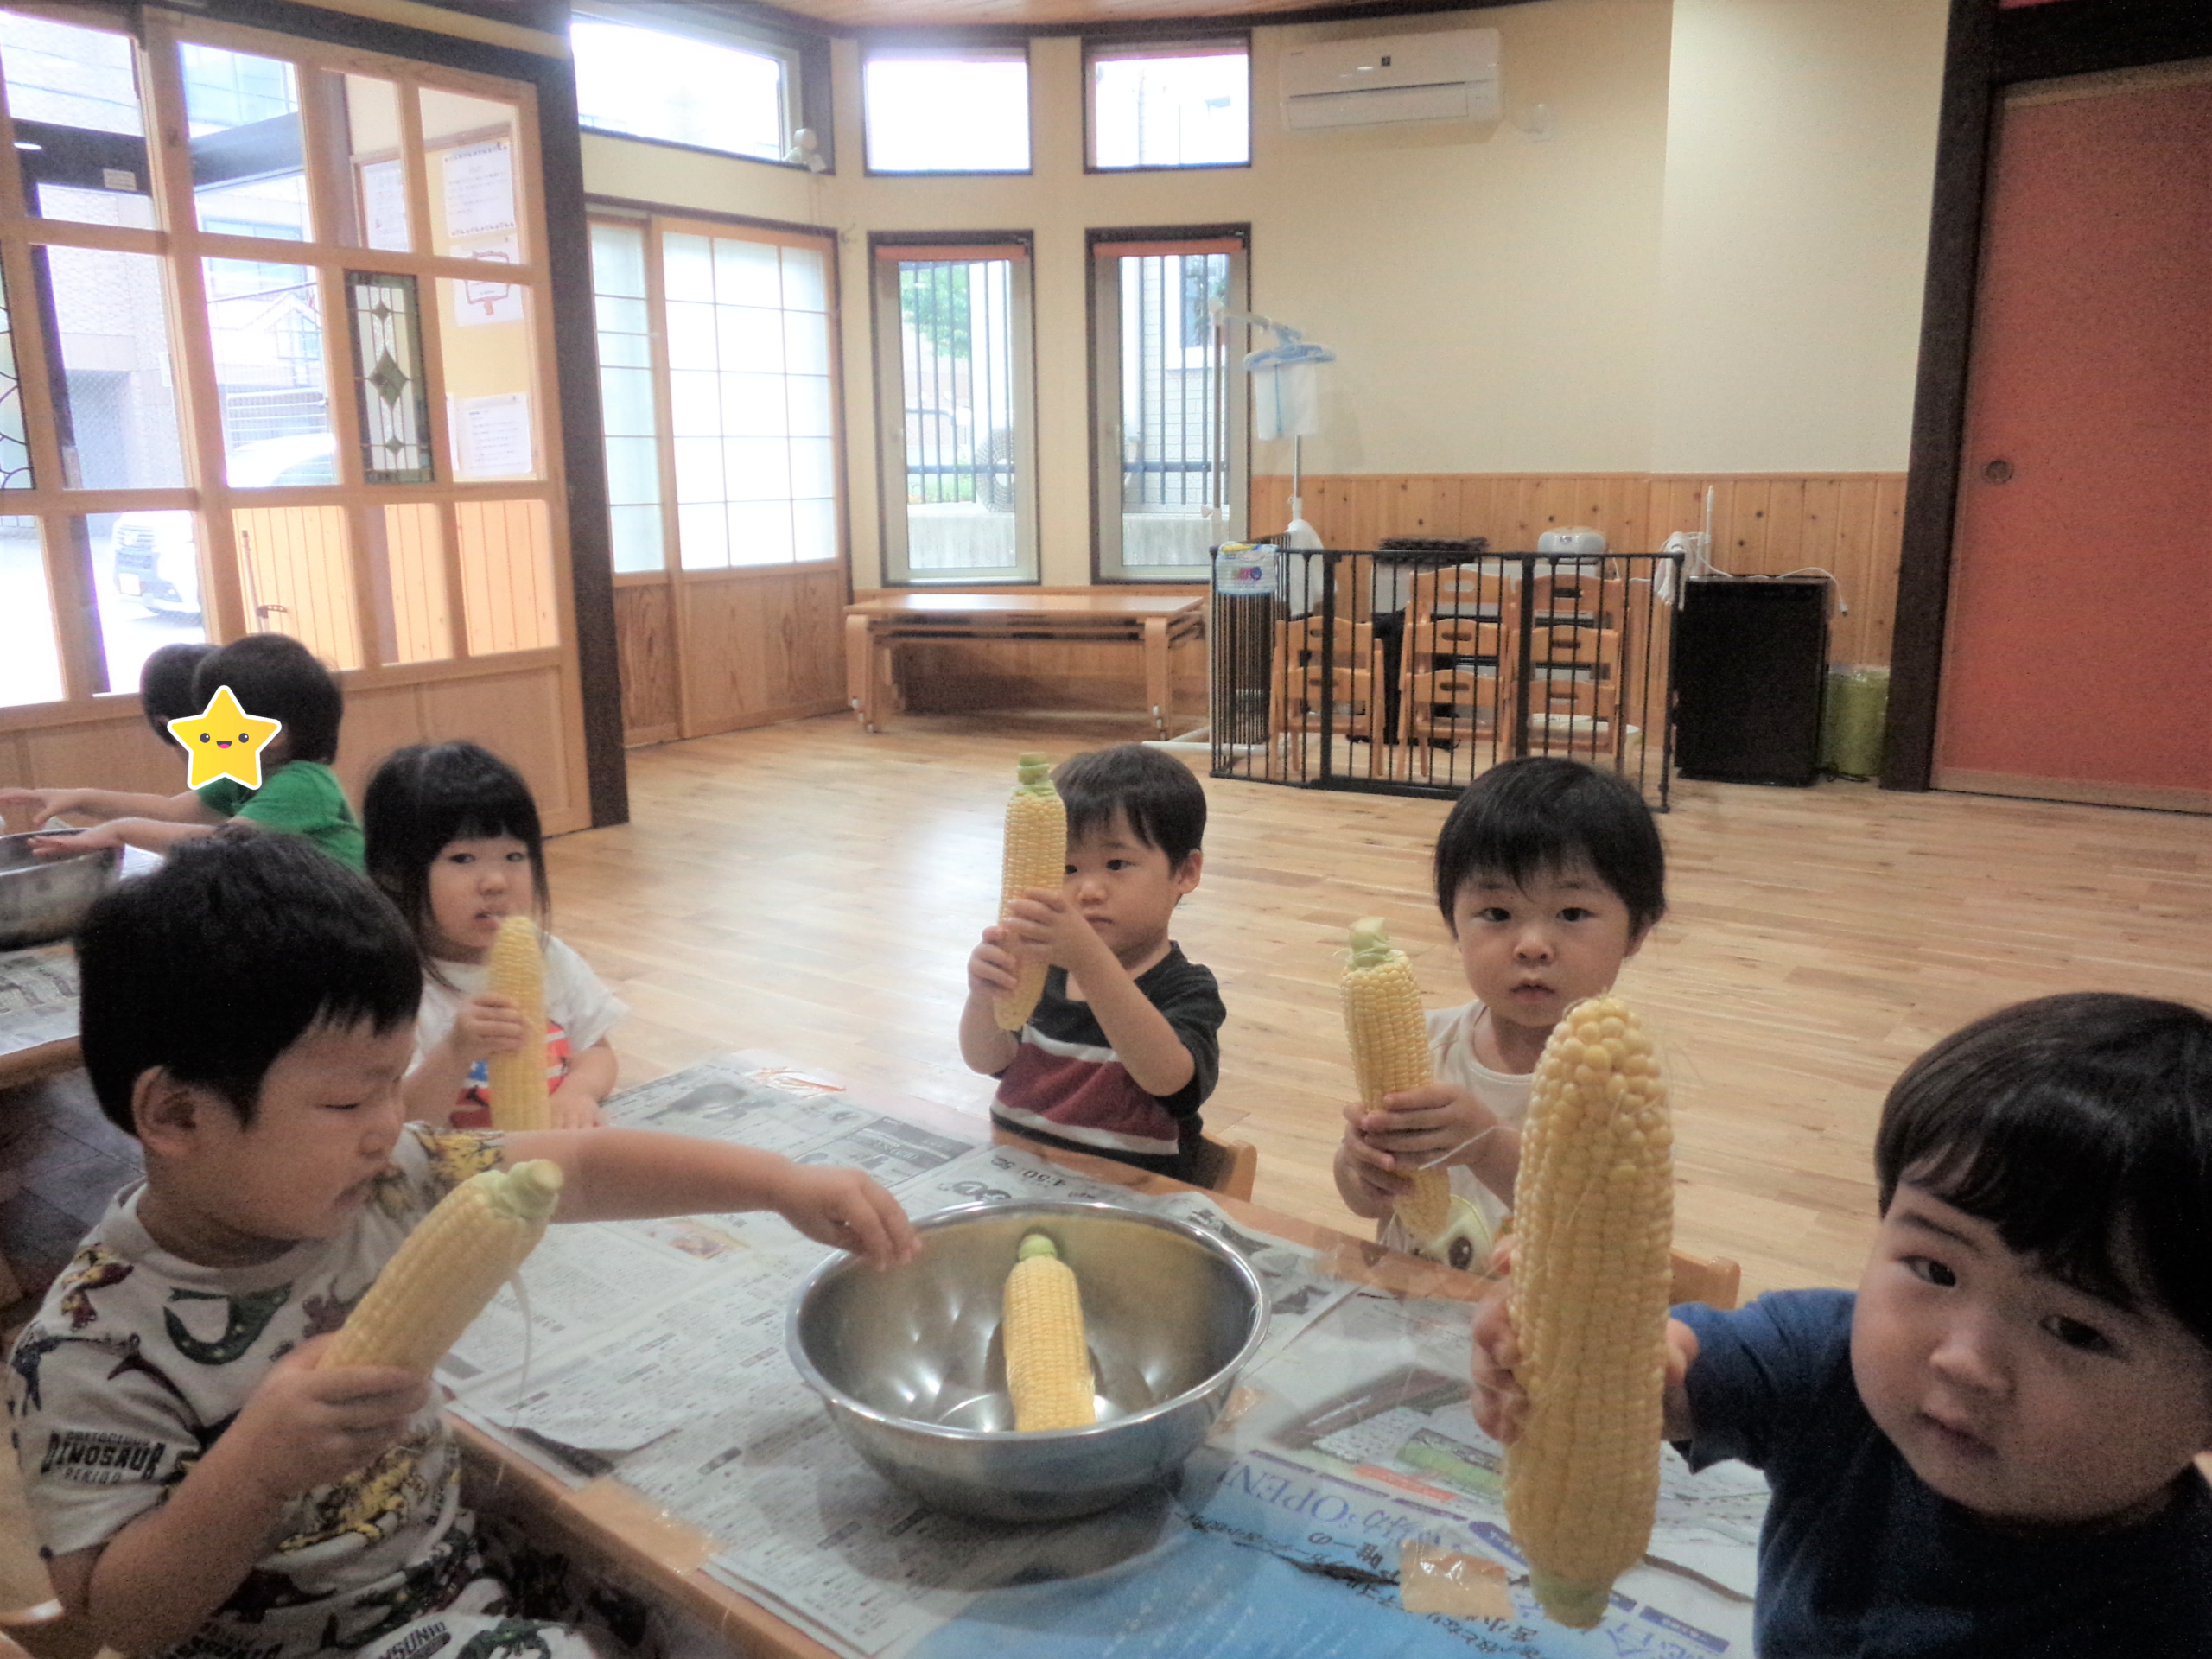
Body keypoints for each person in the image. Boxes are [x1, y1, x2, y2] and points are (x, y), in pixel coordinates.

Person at [5, 832, 916, 1659]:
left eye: (392, 1084)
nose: (389, 1125)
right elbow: (119, 1622)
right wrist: (257, 1465)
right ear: (175, 1113)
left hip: (452, 1574)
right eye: (346, 1102)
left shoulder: (390, 1175)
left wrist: (777, 1184)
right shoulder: (87, 1351)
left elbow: (586, 1167)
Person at [1473, 993, 2212, 1656]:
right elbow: (1672, 1369)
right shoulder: (1834, 1361)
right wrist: (1565, 1357)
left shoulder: (2177, 1619)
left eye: (2072, 1328)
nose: (1962, 1360)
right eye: (1937, 1270)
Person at [1332, 756, 1664, 1272]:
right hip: (1409, 1314)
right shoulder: (1429, 1046)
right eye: (1497, 914)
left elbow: (1599, 1223)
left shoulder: (1619, 1082)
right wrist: (1360, 1170)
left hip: (1531, 1337)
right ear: (1454, 925)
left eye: (1571, 914)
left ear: (1637, 931)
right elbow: (1365, 1203)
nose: (1532, 946)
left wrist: (1487, 1146)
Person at [961, 744, 1224, 1182]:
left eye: (1116, 863)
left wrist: (1089, 961)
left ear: (1185, 872)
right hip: (1019, 1179)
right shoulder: (1040, 971)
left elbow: (1169, 1080)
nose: (1088, 891)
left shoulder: (1185, 988)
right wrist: (982, 998)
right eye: (1067, 867)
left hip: (1133, 1208)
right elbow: (988, 1060)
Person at [364, 741, 620, 1131]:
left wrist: (577, 1094)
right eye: (463, 859)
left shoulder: (545, 954)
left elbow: (597, 1052)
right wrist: (456, 1050)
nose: (497, 882)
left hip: (549, 1161)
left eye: (514, 857)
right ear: (393, 873)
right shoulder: (393, 987)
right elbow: (401, 1118)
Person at [1, 633, 364, 870]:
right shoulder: (246, 775)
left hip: (348, 921)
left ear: (274, 735)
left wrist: (121, 831)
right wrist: (81, 798)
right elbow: (173, 811)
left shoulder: (303, 783)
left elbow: (224, 844)